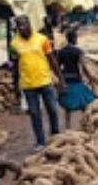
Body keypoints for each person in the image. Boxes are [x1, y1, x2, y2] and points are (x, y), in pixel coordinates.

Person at [9, 15, 63, 148]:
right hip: (28, 84)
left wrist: (60, 78)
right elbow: (15, 65)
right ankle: (40, 141)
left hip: (44, 80)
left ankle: (55, 135)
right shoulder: (14, 44)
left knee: (52, 109)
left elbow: (51, 59)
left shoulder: (42, 39)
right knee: (34, 113)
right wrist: (15, 85)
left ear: (30, 24)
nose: (22, 28)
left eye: (24, 24)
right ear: (17, 28)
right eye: (19, 26)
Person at [55, 29, 96, 128]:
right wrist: (90, 77)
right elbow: (83, 66)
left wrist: (59, 80)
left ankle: (68, 125)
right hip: (76, 78)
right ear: (74, 39)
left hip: (65, 79)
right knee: (83, 102)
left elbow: (57, 67)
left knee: (67, 104)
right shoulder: (78, 51)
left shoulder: (61, 52)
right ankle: (85, 122)